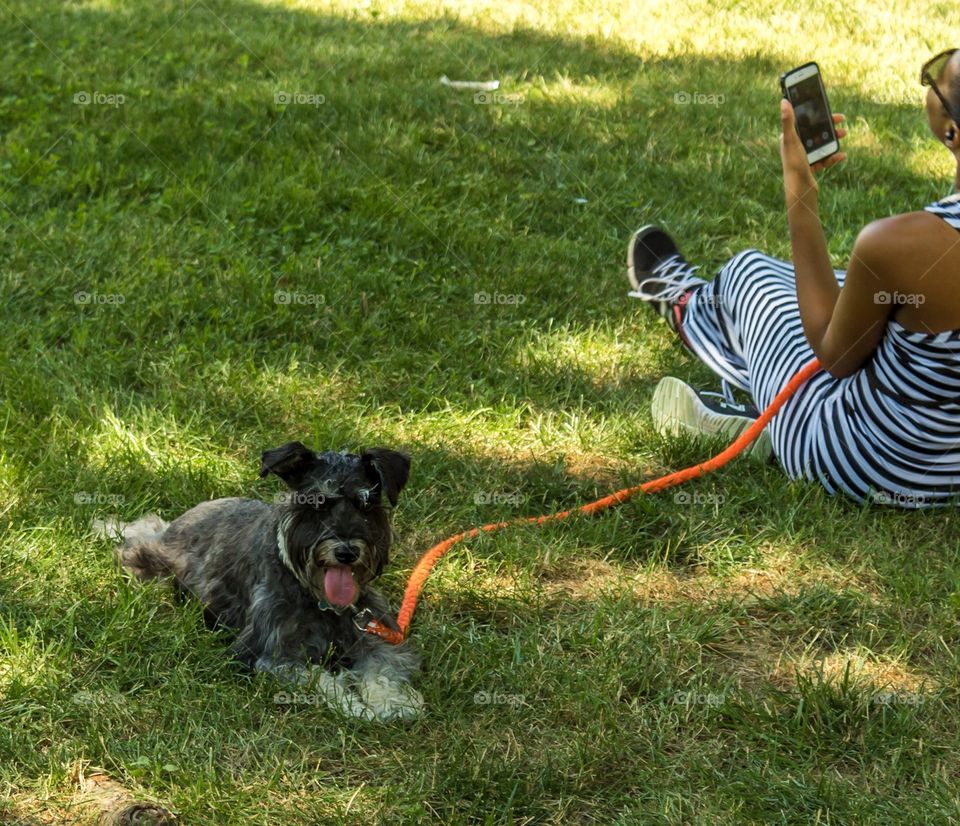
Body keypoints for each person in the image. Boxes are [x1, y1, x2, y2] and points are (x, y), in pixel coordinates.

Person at [628, 49, 960, 508]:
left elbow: (834, 355)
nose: (929, 83)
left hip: (870, 459)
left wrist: (799, 192)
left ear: (952, 131)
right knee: (861, 291)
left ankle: (690, 309)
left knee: (752, 273)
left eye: (934, 79)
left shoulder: (900, 245)